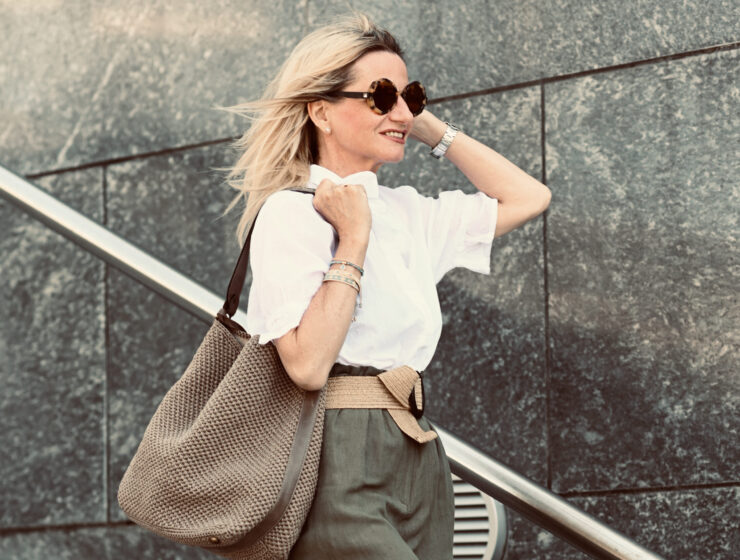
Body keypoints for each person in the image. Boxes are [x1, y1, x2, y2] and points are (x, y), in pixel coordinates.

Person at [219, 11, 551, 559]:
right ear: (321, 112)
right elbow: (307, 366)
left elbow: (529, 198)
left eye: (409, 95)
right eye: (380, 96)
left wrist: (428, 128)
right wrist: (352, 239)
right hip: (337, 450)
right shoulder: (291, 212)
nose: (399, 110)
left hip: (417, 449)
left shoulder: (406, 212)